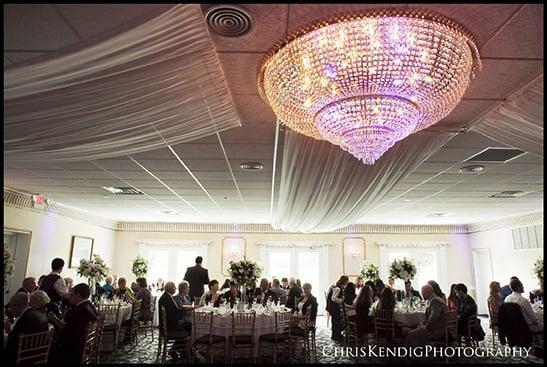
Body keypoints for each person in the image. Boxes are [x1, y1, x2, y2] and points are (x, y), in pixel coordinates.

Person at [48, 283, 99, 364]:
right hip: (84, 344)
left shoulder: (79, 311)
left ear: (78, 295)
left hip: (73, 349)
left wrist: (55, 320)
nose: (69, 298)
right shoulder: (91, 306)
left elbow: (68, 331)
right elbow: (72, 328)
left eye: (71, 295)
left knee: (48, 349)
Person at [4, 292, 49, 364]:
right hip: (37, 355)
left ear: (16, 305)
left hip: (21, 357)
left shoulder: (25, 318)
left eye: (10, 306)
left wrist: (8, 331)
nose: (10, 309)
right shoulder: (41, 314)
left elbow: (13, 342)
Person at [158, 281, 189, 361]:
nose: (176, 288)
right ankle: (177, 350)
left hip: (170, 323)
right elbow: (169, 315)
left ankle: (182, 350)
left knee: (188, 325)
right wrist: (178, 321)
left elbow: (174, 311)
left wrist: (183, 311)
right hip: (169, 327)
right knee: (189, 327)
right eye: (174, 287)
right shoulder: (166, 298)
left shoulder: (168, 296)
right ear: (170, 288)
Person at [326, 275, 349, 340]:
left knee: (336, 321)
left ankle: (337, 334)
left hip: (334, 307)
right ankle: (336, 335)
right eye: (347, 280)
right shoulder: (338, 288)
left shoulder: (338, 287)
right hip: (333, 307)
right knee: (336, 321)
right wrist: (341, 300)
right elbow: (333, 298)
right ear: (344, 281)